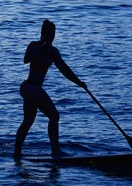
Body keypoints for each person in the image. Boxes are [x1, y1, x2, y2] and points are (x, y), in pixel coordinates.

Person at [14, 20, 86, 161]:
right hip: (29, 87)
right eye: (49, 34)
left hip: (35, 89)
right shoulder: (34, 45)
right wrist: (41, 48)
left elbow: (65, 70)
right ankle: (55, 151)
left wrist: (79, 83)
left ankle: (17, 154)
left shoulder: (53, 52)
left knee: (28, 120)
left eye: (53, 34)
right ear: (42, 34)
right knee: (54, 116)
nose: (51, 37)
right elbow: (26, 59)